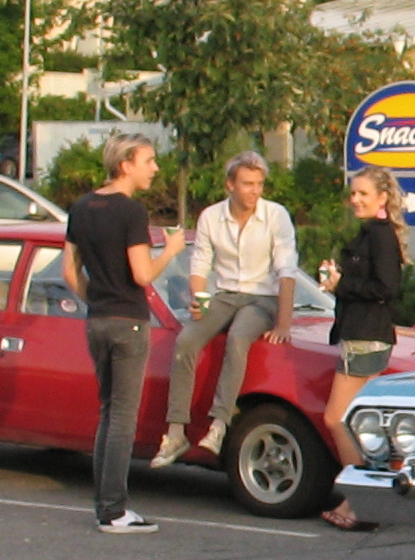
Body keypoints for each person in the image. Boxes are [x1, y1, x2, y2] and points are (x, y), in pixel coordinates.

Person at [62, 133, 188, 533]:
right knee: (122, 417)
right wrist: (169, 250)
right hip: (129, 321)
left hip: (97, 319)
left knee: (107, 411)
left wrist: (95, 300)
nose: (154, 168)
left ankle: (104, 503)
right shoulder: (131, 212)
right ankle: (114, 509)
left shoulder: (81, 207)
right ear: (126, 164)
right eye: (148, 161)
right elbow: (142, 273)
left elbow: (69, 271)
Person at [150, 152, 300, 469]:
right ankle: (176, 431)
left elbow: (287, 270)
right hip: (226, 293)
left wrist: (284, 323)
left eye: (259, 184)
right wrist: (198, 298)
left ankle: (219, 424)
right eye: (247, 184)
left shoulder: (276, 215)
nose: (255, 191)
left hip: (262, 297)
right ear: (230, 184)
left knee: (237, 338)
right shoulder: (211, 216)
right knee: (186, 341)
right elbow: (200, 261)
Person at [315, 169, 409, 531]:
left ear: (382, 197)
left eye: (363, 194)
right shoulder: (372, 234)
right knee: (358, 422)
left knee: (336, 418)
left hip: (365, 336)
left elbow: (386, 287)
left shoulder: (381, 237)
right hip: (362, 334)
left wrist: (343, 284)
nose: (356, 199)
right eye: (353, 193)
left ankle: (360, 498)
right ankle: (365, 497)